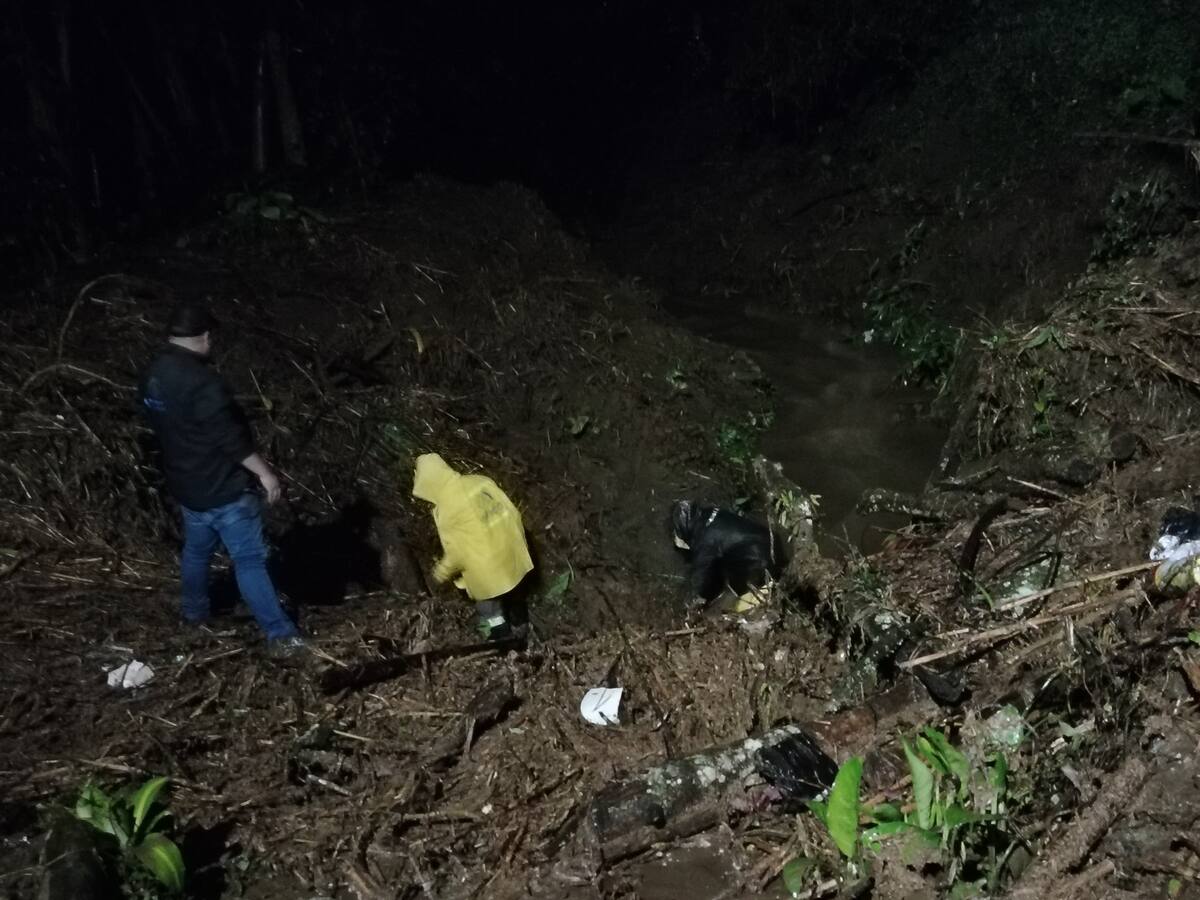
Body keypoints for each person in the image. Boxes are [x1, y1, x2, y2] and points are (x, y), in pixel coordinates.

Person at [139, 303, 307, 659]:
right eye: (209, 336)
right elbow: (231, 442)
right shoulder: (203, 382)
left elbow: (158, 427)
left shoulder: (155, 373)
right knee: (249, 560)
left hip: (187, 486)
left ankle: (193, 615)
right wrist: (265, 474)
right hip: (224, 489)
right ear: (202, 337)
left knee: (197, 552)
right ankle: (281, 635)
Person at [412, 453, 533, 640]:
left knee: (490, 610)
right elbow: (512, 512)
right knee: (516, 596)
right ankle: (523, 629)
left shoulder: (447, 509)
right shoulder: (479, 481)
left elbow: (457, 552)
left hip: (487, 571)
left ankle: (503, 641)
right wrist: (517, 544)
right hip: (512, 556)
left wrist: (440, 573)